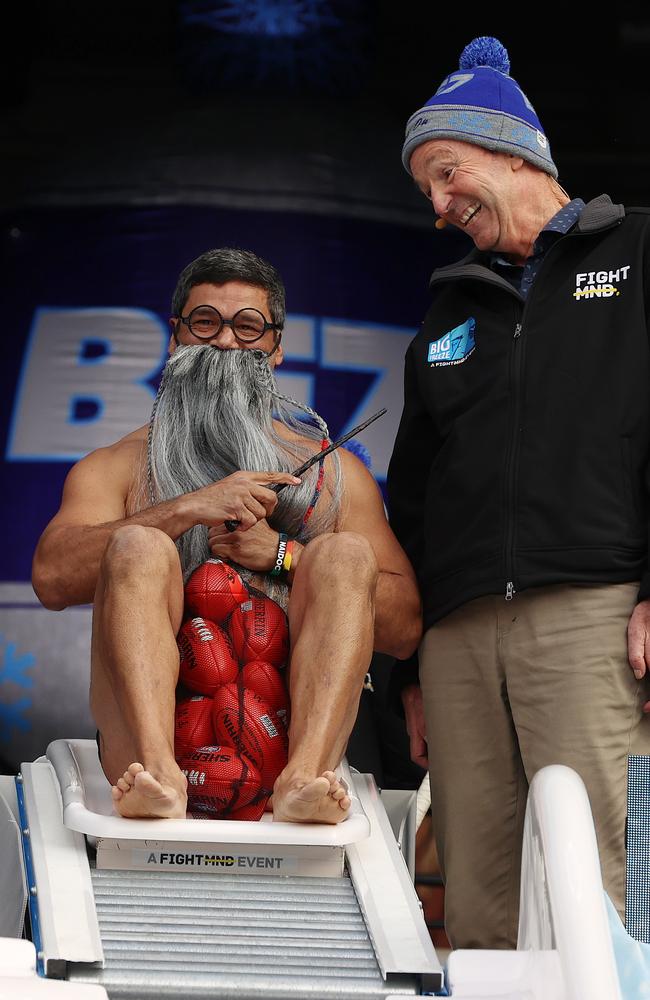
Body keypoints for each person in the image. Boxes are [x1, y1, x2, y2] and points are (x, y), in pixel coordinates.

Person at [388, 35, 650, 948]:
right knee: (473, 888)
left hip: (593, 606)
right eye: (427, 186)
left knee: (621, 873)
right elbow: (410, 503)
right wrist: (409, 670)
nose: (438, 205)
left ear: (516, 154)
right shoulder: (448, 311)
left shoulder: (637, 247)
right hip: (458, 635)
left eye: (449, 172)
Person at [32, 247, 421, 824]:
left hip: (288, 739)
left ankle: (304, 780)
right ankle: (158, 772)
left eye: (248, 327)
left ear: (277, 346)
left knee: (343, 554)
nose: (225, 343)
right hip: (148, 751)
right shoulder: (116, 464)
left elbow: (405, 626)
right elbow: (52, 578)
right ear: (176, 336)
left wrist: (285, 554)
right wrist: (187, 509)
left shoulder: (333, 472)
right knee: (137, 544)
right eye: (205, 322)